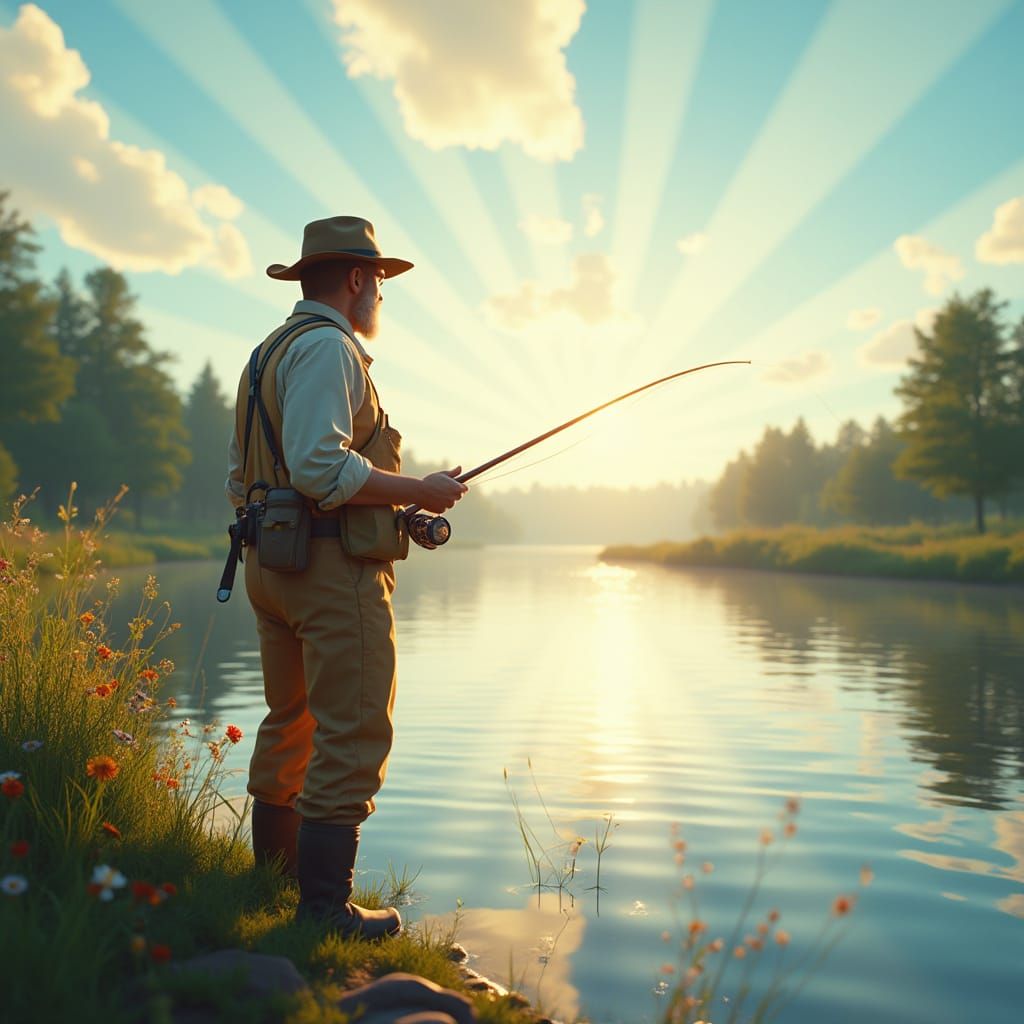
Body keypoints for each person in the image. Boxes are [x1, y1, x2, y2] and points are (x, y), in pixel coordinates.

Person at [226, 216, 467, 938]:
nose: (381, 298)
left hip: (272, 567)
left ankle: (274, 885)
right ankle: (325, 911)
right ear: (358, 279)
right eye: (380, 284)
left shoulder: (266, 353)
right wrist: (417, 491)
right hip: (330, 574)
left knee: (291, 721)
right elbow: (319, 466)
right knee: (353, 732)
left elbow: (241, 476)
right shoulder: (330, 349)